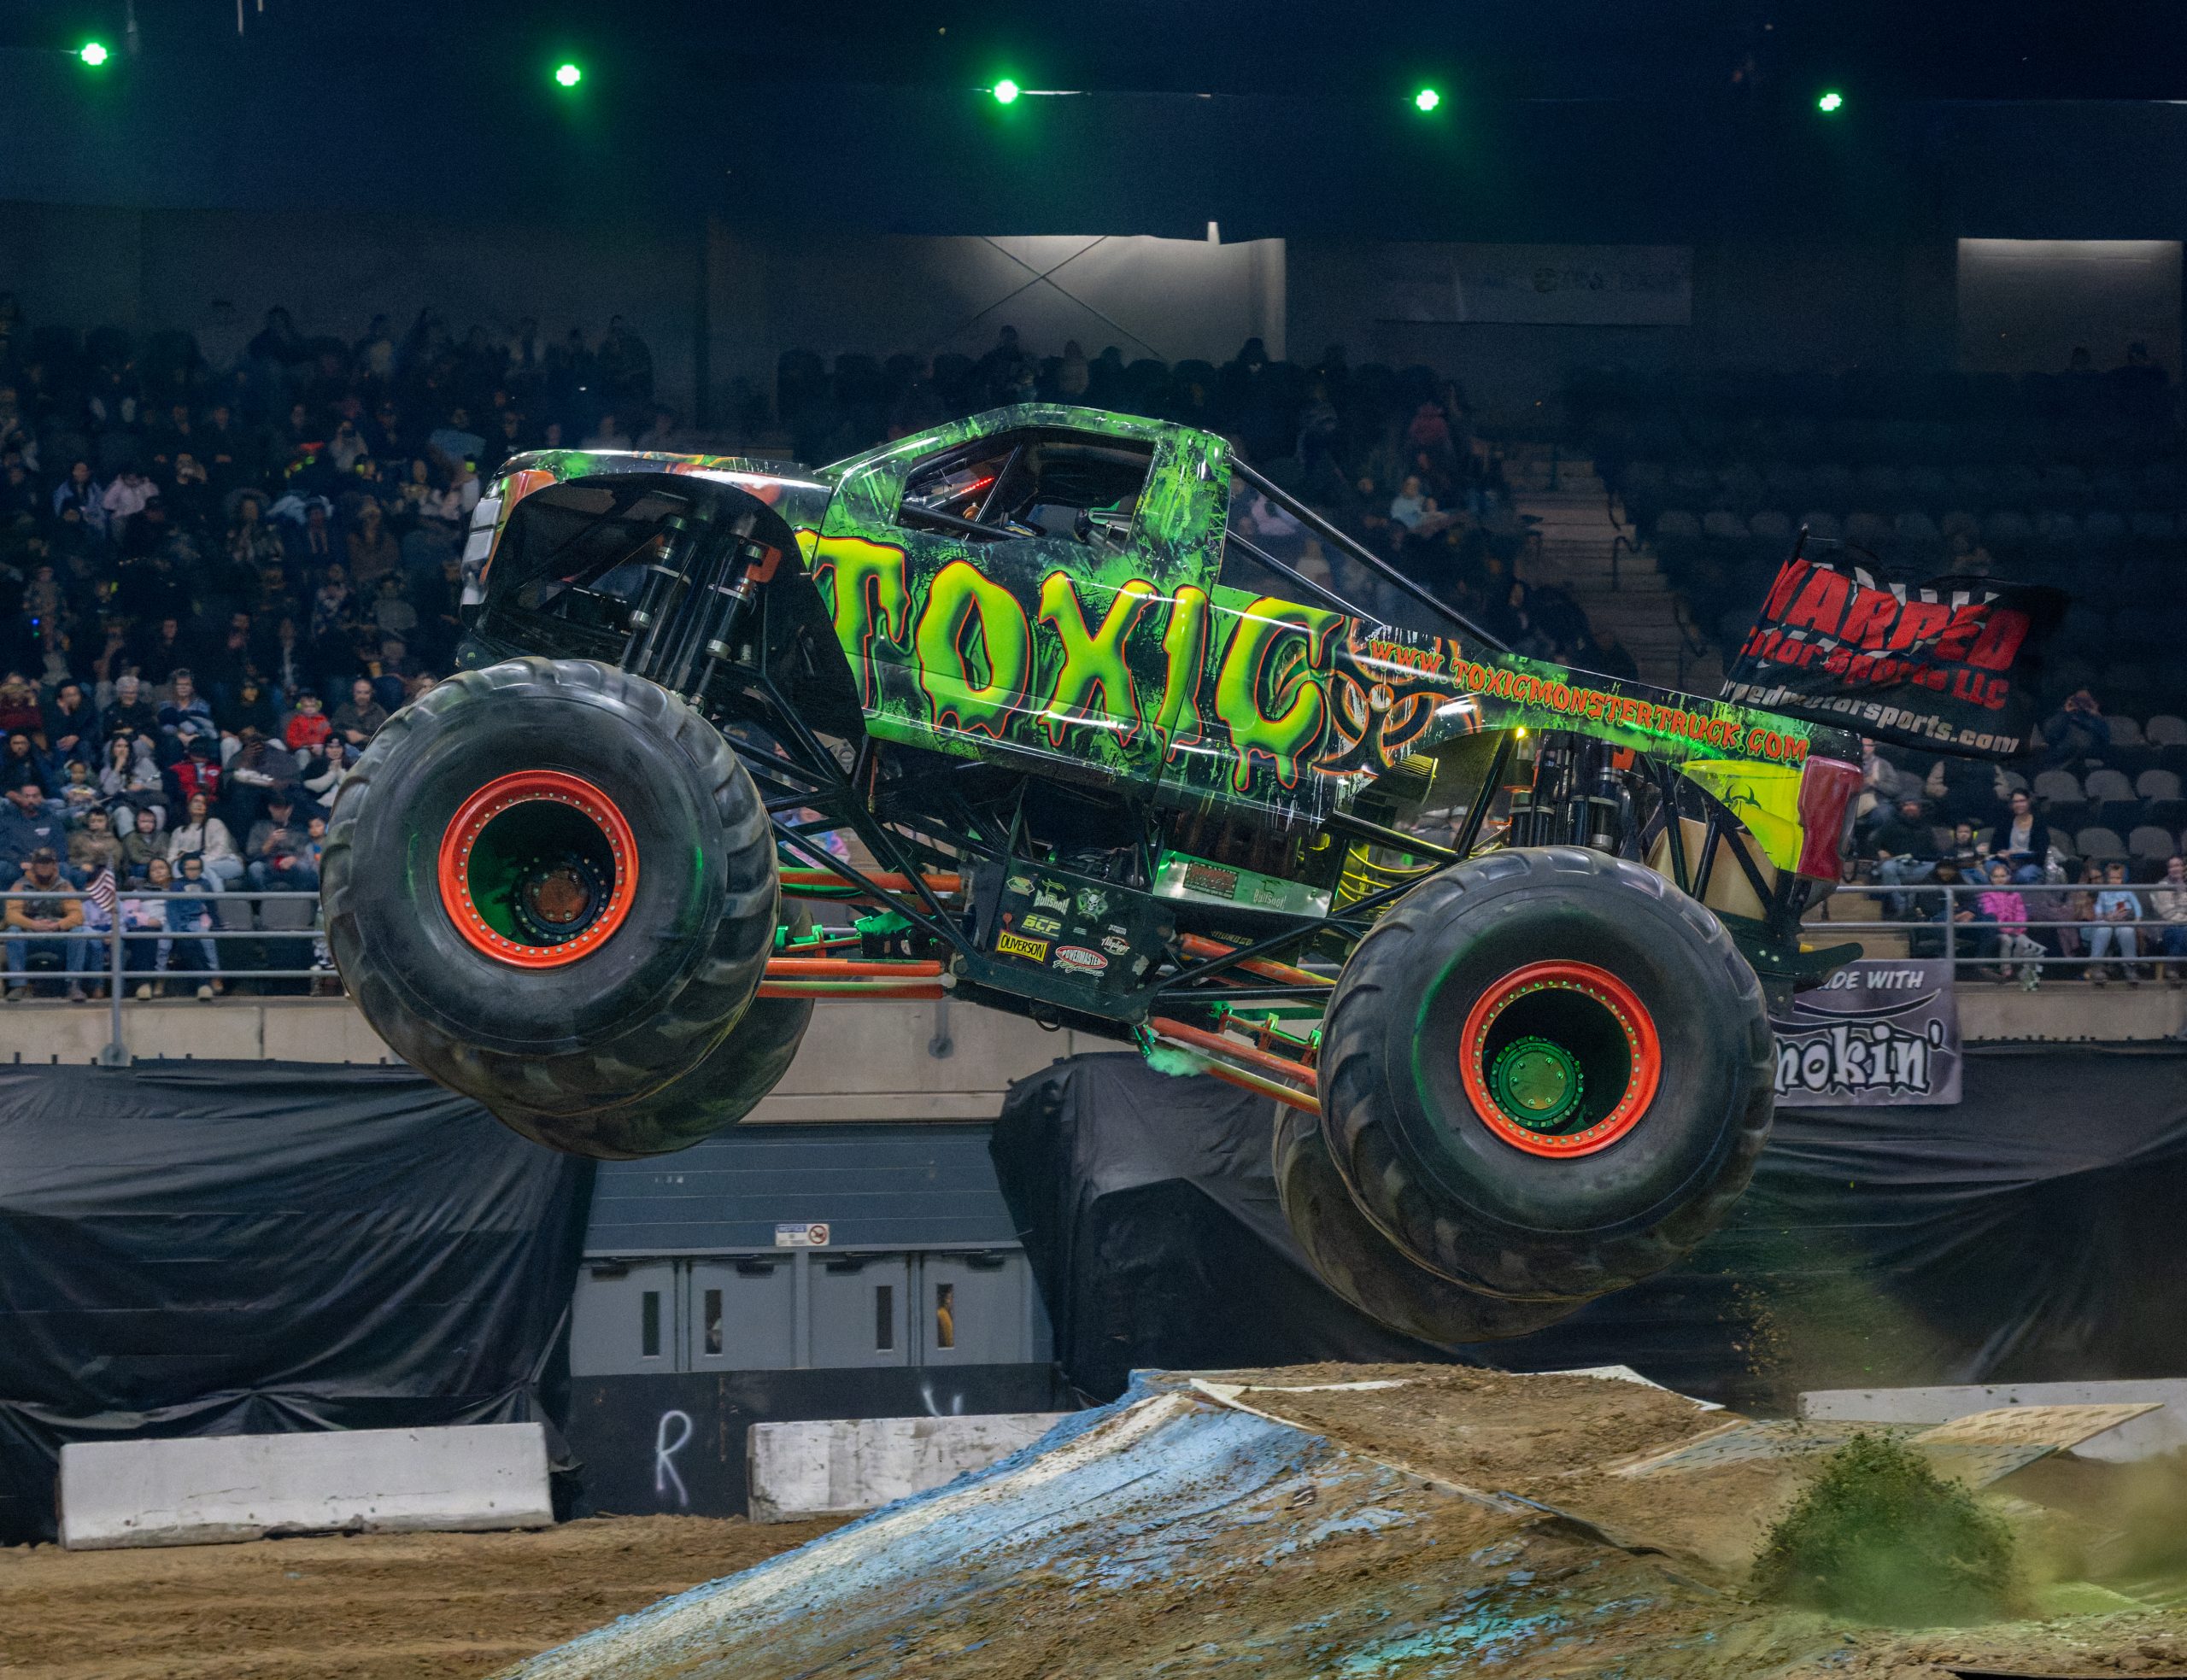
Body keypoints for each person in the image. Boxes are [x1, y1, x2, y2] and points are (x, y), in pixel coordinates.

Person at [5, 847, 90, 999]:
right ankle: (18, 985)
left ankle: (73, 985)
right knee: (12, 930)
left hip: (57, 935)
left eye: (48, 863)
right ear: (34, 865)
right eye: (40, 863)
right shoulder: (20, 885)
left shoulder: (65, 885)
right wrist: (33, 925)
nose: (44, 867)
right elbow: (11, 914)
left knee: (79, 932)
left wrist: (59, 925)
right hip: (30, 936)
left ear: (55, 865)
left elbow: (78, 915)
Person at [164, 853, 222, 998]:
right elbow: (172, 907)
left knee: (207, 940)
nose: (193, 872)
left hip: (198, 919)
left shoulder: (206, 884)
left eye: (196, 868)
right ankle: (159, 977)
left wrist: (216, 922)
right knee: (164, 943)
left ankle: (215, 975)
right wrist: (178, 928)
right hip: (179, 921)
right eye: (189, 868)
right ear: (183, 869)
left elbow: (211, 905)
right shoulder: (176, 885)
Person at [165, 792, 243, 887]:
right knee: (177, 866)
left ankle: (216, 899)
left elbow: (220, 850)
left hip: (225, 863)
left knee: (204, 867)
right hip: (190, 866)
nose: (199, 804)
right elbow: (171, 856)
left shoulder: (215, 824)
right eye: (196, 801)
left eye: (203, 803)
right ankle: (186, 896)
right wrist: (184, 860)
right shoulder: (178, 831)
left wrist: (198, 861)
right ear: (189, 806)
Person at [244, 793, 317, 892]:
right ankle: (265, 903)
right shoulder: (259, 827)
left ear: (290, 809)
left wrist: (295, 858)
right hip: (268, 865)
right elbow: (251, 855)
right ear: (270, 808)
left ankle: (300, 903)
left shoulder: (299, 830)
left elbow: (308, 853)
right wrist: (269, 842)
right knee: (255, 868)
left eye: (284, 808)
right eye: (276, 807)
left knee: (304, 867)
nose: (280, 811)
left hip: (293, 867)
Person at [2087, 859, 2143, 986]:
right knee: (2103, 929)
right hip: (2107, 920)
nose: (2114, 881)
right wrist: (2103, 916)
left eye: (2117, 878)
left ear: (2122, 879)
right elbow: (2098, 908)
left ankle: (2130, 967)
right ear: (2107, 878)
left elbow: (2137, 906)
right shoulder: (2103, 892)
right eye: (2111, 878)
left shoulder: (2127, 891)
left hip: (2123, 920)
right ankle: (2097, 967)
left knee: (2127, 931)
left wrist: (2137, 919)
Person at [2041, 689, 2111, 769]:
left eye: (2086, 701)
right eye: (2078, 700)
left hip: (2089, 764)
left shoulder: (2096, 721)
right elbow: (2049, 734)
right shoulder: (2061, 717)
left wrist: (2096, 716)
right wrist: (2065, 713)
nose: (2081, 704)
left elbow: (2105, 741)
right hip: (2060, 764)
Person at [2149, 855, 2187, 986]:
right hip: (2167, 928)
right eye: (2172, 866)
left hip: (2183, 924)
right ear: (2168, 869)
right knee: (2182, 932)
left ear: (2183, 867)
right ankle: (2172, 968)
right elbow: (2169, 914)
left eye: (2178, 865)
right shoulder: (2162, 886)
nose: (2175, 869)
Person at [331, 676, 388, 747]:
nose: (362, 696)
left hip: (370, 751)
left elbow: (385, 740)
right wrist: (346, 734)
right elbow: (333, 729)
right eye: (359, 692)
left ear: (372, 694)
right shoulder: (344, 709)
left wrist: (363, 738)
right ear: (353, 693)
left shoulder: (379, 712)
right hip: (345, 751)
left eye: (366, 693)